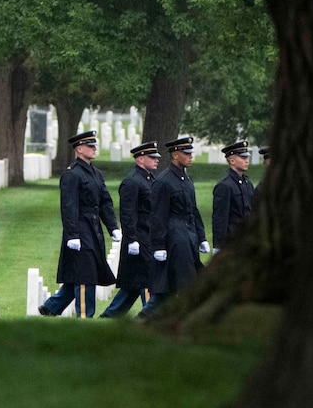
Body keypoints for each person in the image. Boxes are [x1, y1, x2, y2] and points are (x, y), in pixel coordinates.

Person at [38, 130, 120, 318]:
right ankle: (85, 315)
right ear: (79, 149)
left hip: (94, 229)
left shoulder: (96, 174)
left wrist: (113, 227)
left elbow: (105, 202)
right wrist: (72, 234)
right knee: (85, 273)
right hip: (80, 228)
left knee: (83, 270)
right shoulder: (72, 175)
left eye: (94, 145)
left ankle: (50, 307)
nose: (94, 149)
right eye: (90, 146)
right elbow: (69, 207)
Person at [141, 136, 208, 318]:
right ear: (175, 155)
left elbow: (193, 210)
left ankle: (149, 320)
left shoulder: (186, 179)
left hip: (188, 235)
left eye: (190, 153)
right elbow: (158, 216)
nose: (190, 156)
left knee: (172, 288)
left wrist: (201, 237)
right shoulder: (164, 181)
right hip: (174, 236)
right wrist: (159, 246)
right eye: (186, 153)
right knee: (182, 283)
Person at [99, 141, 160, 318]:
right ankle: (150, 315)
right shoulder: (132, 182)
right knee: (148, 278)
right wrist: (132, 239)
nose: (156, 160)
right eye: (152, 157)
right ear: (141, 159)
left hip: (149, 236)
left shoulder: (150, 179)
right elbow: (128, 214)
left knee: (133, 283)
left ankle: (109, 316)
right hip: (139, 238)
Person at [212, 140, 254, 251]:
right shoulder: (225, 186)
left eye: (247, 157)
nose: (246, 161)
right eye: (243, 158)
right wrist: (218, 245)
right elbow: (220, 218)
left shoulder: (247, 183)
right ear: (232, 161)